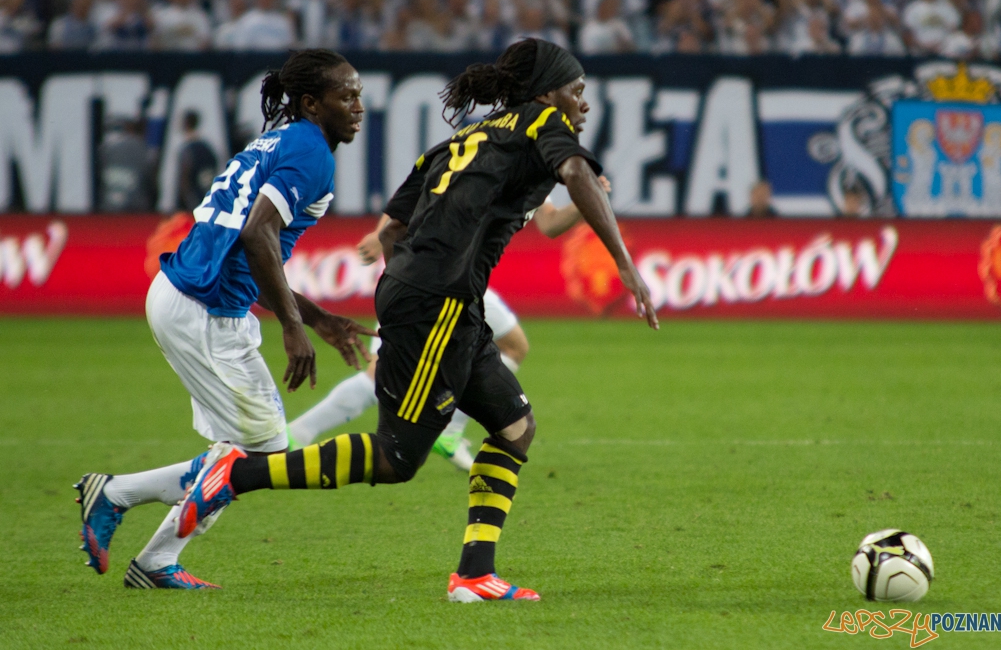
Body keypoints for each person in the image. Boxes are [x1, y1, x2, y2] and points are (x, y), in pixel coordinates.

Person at [174, 38, 658, 602]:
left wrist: (420, 276)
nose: (584, 103)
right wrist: (625, 263)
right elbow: (576, 170)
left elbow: (394, 227)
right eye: (577, 90)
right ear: (548, 94)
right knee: (397, 457)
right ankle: (236, 475)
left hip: (442, 299)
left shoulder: (462, 140)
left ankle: (474, 576)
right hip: (438, 301)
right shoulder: (542, 122)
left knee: (515, 427)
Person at [74, 49, 373, 589]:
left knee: (240, 451)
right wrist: (293, 327)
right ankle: (130, 517)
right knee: (264, 452)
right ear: (312, 103)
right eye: (346, 95)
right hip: (205, 309)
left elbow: (253, 254)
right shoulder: (311, 153)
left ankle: (140, 533)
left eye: (359, 94)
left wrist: (315, 317)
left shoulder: (279, 141)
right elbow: (257, 235)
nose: (358, 106)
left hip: (186, 295)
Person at [286, 187, 598, 469]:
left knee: (514, 345)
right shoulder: (491, 159)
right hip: (426, 277)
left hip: (463, 281)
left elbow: (550, 223)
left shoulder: (532, 171)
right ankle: (300, 432)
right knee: (382, 371)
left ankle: (449, 433)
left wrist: (587, 195)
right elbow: (417, 187)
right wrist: (382, 233)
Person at [176, 111, 219, 211]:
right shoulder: (207, 149)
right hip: (205, 199)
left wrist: (185, 200)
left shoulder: (188, 150)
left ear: (186, 124)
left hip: (191, 203)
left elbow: (185, 177)